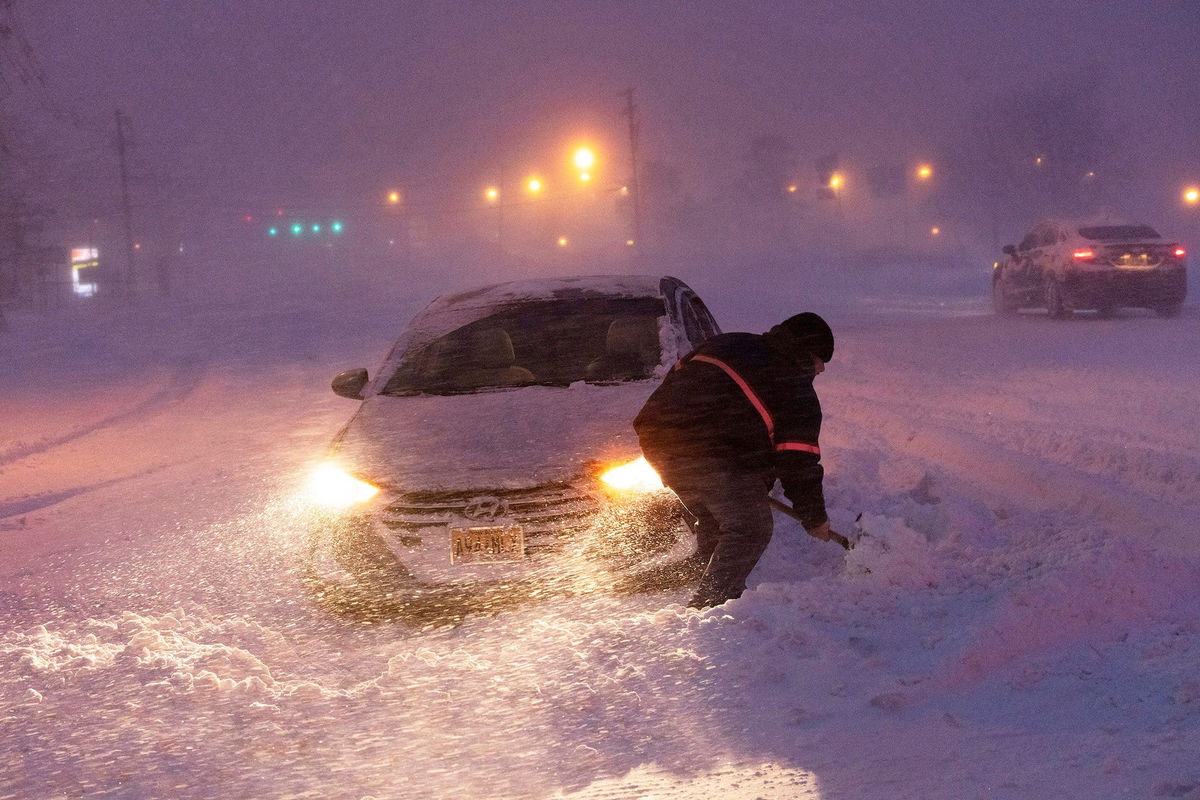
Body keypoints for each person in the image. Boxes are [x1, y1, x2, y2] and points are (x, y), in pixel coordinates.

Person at [633, 312, 840, 609]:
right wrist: (815, 518)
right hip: (708, 452)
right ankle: (709, 607)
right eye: (822, 361)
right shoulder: (794, 385)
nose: (821, 370)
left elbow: (679, 381)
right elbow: (799, 464)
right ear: (809, 353)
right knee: (750, 527)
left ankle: (699, 574)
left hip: (657, 439)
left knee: (716, 518)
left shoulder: (728, 342)